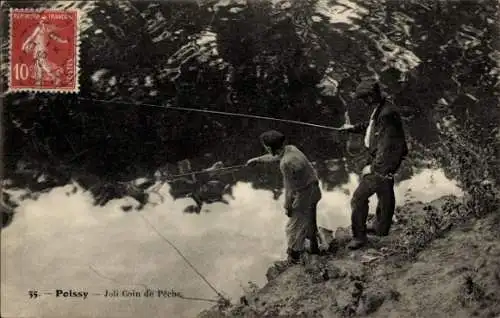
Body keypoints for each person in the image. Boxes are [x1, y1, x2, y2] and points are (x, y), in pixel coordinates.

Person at [339, 79, 408, 249]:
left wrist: (374, 168)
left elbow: (387, 146)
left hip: (384, 162)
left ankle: (359, 237)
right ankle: (382, 227)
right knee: (385, 191)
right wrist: (353, 128)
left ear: (371, 96)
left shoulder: (386, 113)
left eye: (364, 99)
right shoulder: (383, 107)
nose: (363, 102)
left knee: (358, 198)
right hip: (385, 159)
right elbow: (372, 127)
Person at [246, 130, 322, 263]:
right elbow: (275, 156)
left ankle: (295, 257)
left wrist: (288, 206)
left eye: (265, 146)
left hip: (306, 194)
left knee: (292, 228)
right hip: (314, 189)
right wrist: (257, 160)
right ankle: (315, 249)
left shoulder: (285, 164)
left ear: (269, 147)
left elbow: (289, 189)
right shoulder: (291, 149)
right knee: (310, 221)